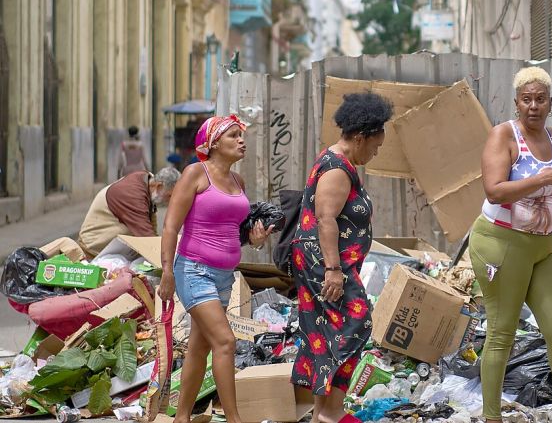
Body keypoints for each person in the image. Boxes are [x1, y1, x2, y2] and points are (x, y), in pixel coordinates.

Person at [472, 67, 552, 423]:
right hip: (502, 244)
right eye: (527, 99)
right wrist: (545, 176)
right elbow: (494, 189)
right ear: (517, 103)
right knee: (503, 330)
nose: (533, 106)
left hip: (544, 246)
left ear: (550, 103)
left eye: (540, 99)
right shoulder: (503, 135)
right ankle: (492, 417)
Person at [158, 115, 275, 423]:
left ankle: (182, 417)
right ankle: (235, 419)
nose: (241, 140)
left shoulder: (239, 183)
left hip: (225, 276)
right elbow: (171, 225)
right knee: (225, 341)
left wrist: (256, 241)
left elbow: (235, 234)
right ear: (212, 144)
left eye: (241, 135)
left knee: (199, 348)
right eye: (233, 135)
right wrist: (167, 271)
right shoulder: (196, 174)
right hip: (193, 271)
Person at [291, 92, 393, 423]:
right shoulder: (336, 168)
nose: (375, 153)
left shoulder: (340, 163)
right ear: (360, 137)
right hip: (325, 264)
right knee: (358, 321)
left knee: (325, 333)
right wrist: (333, 270)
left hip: (327, 262)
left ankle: (325, 412)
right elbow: (325, 218)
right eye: (375, 145)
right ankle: (331, 412)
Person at [78, 167, 180, 258]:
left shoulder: (149, 182)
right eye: (169, 196)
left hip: (114, 251)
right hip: (93, 250)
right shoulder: (132, 195)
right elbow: (148, 238)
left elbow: (151, 229)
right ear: (159, 186)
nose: (169, 201)